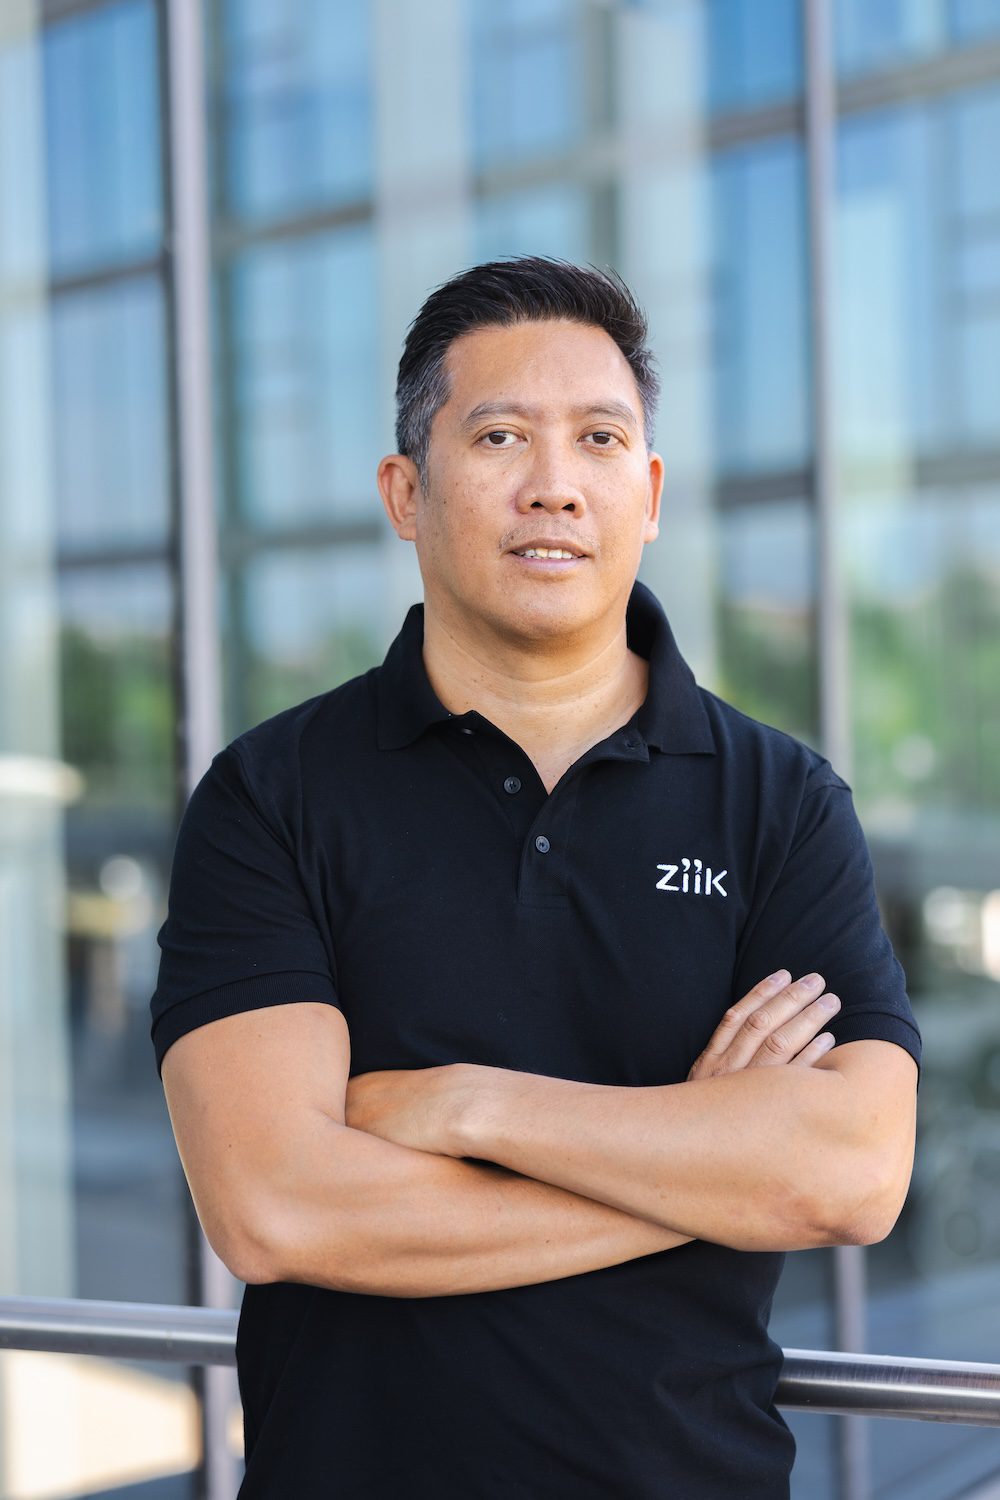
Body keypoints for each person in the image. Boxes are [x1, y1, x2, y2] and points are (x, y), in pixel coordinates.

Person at [152, 257, 920, 1498]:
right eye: (500, 436)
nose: (554, 485)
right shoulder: (272, 795)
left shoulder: (779, 802)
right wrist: (707, 1169)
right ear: (406, 492)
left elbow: (852, 1173)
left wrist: (468, 1108)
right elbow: (278, 1209)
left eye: (599, 439)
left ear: (648, 494)